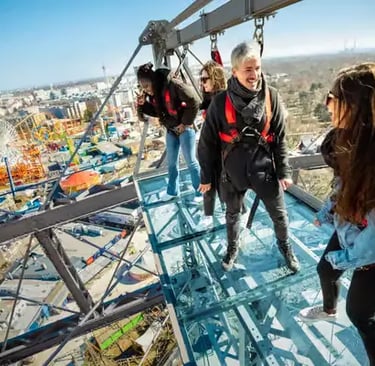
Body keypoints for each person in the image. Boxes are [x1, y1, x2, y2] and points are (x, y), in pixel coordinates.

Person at [197, 41, 300, 273]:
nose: (254, 75)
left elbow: (280, 137)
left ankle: (285, 247)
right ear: (234, 71)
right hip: (232, 173)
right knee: (232, 215)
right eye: (248, 70)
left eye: (257, 68)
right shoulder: (220, 103)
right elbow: (206, 144)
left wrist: (283, 170)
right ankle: (233, 248)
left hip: (263, 170)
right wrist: (206, 177)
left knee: (279, 215)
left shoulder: (271, 97)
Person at [299, 63, 375, 365]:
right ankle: (329, 309)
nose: (327, 104)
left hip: (368, 245)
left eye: (334, 97)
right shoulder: (346, 141)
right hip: (352, 227)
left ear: (355, 106)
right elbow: (344, 185)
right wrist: (329, 210)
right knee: (325, 271)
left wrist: (348, 258)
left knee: (359, 313)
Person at [136, 62, 201, 201]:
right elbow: (157, 112)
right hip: (171, 130)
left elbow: (194, 100)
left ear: (153, 81)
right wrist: (142, 106)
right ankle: (172, 192)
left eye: (147, 86)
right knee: (172, 163)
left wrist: (185, 123)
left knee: (191, 161)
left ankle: (200, 192)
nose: (146, 90)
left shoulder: (173, 85)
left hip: (185, 129)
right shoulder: (156, 95)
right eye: (143, 88)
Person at [198, 61, 227, 223]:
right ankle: (209, 216)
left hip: (220, 157)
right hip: (220, 156)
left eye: (205, 79)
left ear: (215, 79)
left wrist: (205, 177)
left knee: (222, 192)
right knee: (219, 191)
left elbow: (206, 144)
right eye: (201, 80)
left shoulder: (218, 103)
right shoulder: (215, 100)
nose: (202, 84)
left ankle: (211, 218)